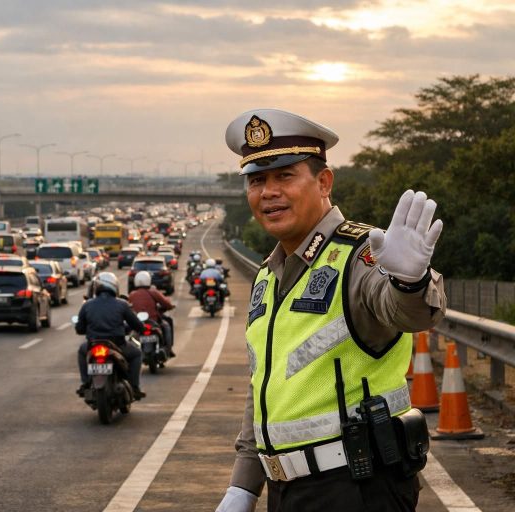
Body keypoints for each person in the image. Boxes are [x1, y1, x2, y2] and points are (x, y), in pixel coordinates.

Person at [215, 109, 446, 512]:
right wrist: (243, 485)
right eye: (257, 180)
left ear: (324, 182)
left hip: (356, 487)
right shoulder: (268, 276)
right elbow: (265, 387)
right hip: (285, 491)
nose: (268, 192)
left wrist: (410, 281)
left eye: (284, 176)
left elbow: (408, 314)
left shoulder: (360, 255)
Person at [75, 272, 147, 400]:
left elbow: (79, 329)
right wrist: (140, 328)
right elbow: (136, 324)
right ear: (115, 287)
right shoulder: (122, 304)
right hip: (117, 344)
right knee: (136, 354)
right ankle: (134, 387)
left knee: (82, 351)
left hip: (93, 344)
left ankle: (85, 383)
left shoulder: (87, 305)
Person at [128, 271, 176, 357]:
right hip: (153, 321)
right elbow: (166, 303)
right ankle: (168, 349)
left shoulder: (132, 294)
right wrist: (170, 305)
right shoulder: (153, 292)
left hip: (137, 323)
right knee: (167, 326)